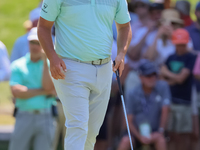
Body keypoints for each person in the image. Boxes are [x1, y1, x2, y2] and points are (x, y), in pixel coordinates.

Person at [37, 0, 132, 150]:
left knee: (92, 132)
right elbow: (43, 27)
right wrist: (52, 57)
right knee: (78, 125)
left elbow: (125, 26)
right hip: (71, 67)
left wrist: (121, 52)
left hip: (105, 68)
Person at [8, 27, 57, 150]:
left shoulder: (51, 65)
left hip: (45, 115)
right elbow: (16, 92)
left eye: (39, 43)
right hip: (24, 115)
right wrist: (44, 92)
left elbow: (49, 87)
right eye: (32, 42)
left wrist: (46, 62)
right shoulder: (18, 65)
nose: (35, 46)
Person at [117, 60, 170, 150]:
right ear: (140, 77)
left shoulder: (163, 87)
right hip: (136, 133)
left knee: (161, 140)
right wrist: (140, 137)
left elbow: (166, 110)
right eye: (148, 75)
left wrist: (160, 131)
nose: (152, 78)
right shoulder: (132, 93)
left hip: (155, 131)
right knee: (126, 140)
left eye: (154, 75)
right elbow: (128, 121)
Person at [160, 29, 197, 150]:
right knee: (170, 134)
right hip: (170, 101)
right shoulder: (170, 56)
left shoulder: (191, 57)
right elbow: (161, 77)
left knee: (183, 135)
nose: (180, 47)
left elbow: (182, 78)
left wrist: (168, 74)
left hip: (184, 102)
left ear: (186, 43)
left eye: (183, 44)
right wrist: (174, 77)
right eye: (178, 44)